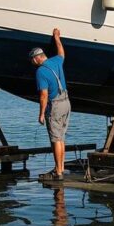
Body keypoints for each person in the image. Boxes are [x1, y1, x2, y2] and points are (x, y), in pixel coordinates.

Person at [29, 28, 70, 181]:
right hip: (66, 102)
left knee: (55, 139)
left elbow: (44, 95)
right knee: (61, 138)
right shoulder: (56, 61)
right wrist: (57, 37)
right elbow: (61, 52)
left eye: (32, 60)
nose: (32, 63)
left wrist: (41, 114)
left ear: (37, 58)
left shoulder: (40, 72)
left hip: (56, 106)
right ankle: (61, 168)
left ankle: (58, 173)